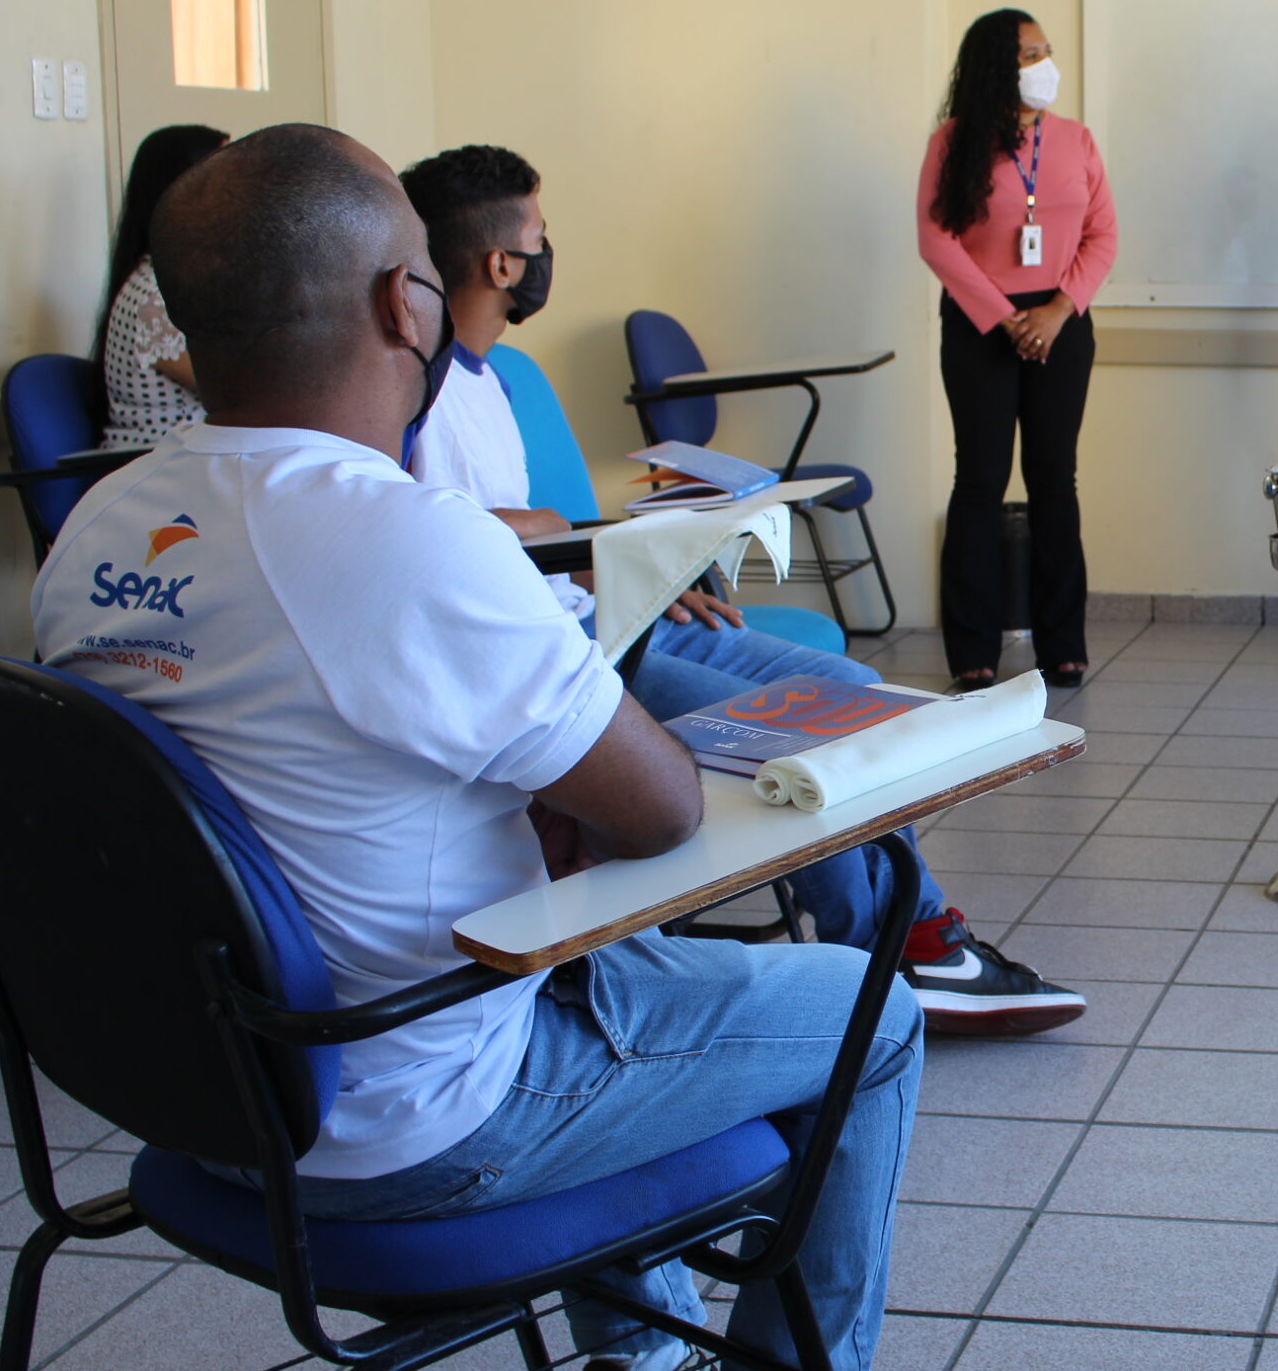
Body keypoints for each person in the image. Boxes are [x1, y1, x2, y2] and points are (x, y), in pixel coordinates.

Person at [32, 124, 920, 1371]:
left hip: (196, 1099)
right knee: (875, 1009)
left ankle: (641, 1354)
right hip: (413, 1116)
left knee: (586, 952)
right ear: (409, 300)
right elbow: (664, 808)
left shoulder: (96, 530)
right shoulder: (400, 535)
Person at [398, 142, 1085, 1037]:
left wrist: (642, 557)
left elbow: (531, 531)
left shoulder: (493, 380)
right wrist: (584, 541)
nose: (545, 252)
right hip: (574, 655)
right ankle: (879, 962)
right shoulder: (423, 393)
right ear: (501, 263)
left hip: (613, 613)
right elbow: (449, 542)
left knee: (857, 696)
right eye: (540, 235)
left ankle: (918, 936)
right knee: (805, 746)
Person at [917, 9, 1116, 693]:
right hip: (981, 327)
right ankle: (972, 649)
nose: (1044, 65)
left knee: (1055, 479)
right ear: (995, 68)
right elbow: (936, 239)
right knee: (980, 480)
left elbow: (1103, 236)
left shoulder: (1076, 140)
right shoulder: (953, 142)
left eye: (1046, 51)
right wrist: (1006, 318)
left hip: (1062, 323)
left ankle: (1062, 644)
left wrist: (1058, 310)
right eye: (1029, 54)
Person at [93, 123, 227, 448]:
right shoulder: (156, 298)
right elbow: (234, 390)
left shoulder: (174, 278)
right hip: (157, 470)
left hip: (190, 462)